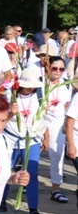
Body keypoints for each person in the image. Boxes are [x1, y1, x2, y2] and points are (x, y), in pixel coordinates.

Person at [1, 67, 47, 214]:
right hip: (10, 138)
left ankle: (33, 209)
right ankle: (1, 200)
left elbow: (43, 119)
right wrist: (10, 114)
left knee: (31, 173)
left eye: (33, 86)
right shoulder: (9, 95)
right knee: (7, 170)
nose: (31, 89)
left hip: (31, 140)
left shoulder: (40, 96)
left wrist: (45, 136)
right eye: (28, 85)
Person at [42, 57, 71, 204]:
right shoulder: (41, 83)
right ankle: (27, 182)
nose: (58, 72)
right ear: (48, 68)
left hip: (57, 124)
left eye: (61, 69)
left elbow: (67, 103)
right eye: (55, 68)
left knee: (57, 155)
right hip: (39, 122)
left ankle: (56, 188)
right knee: (32, 156)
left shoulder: (65, 85)